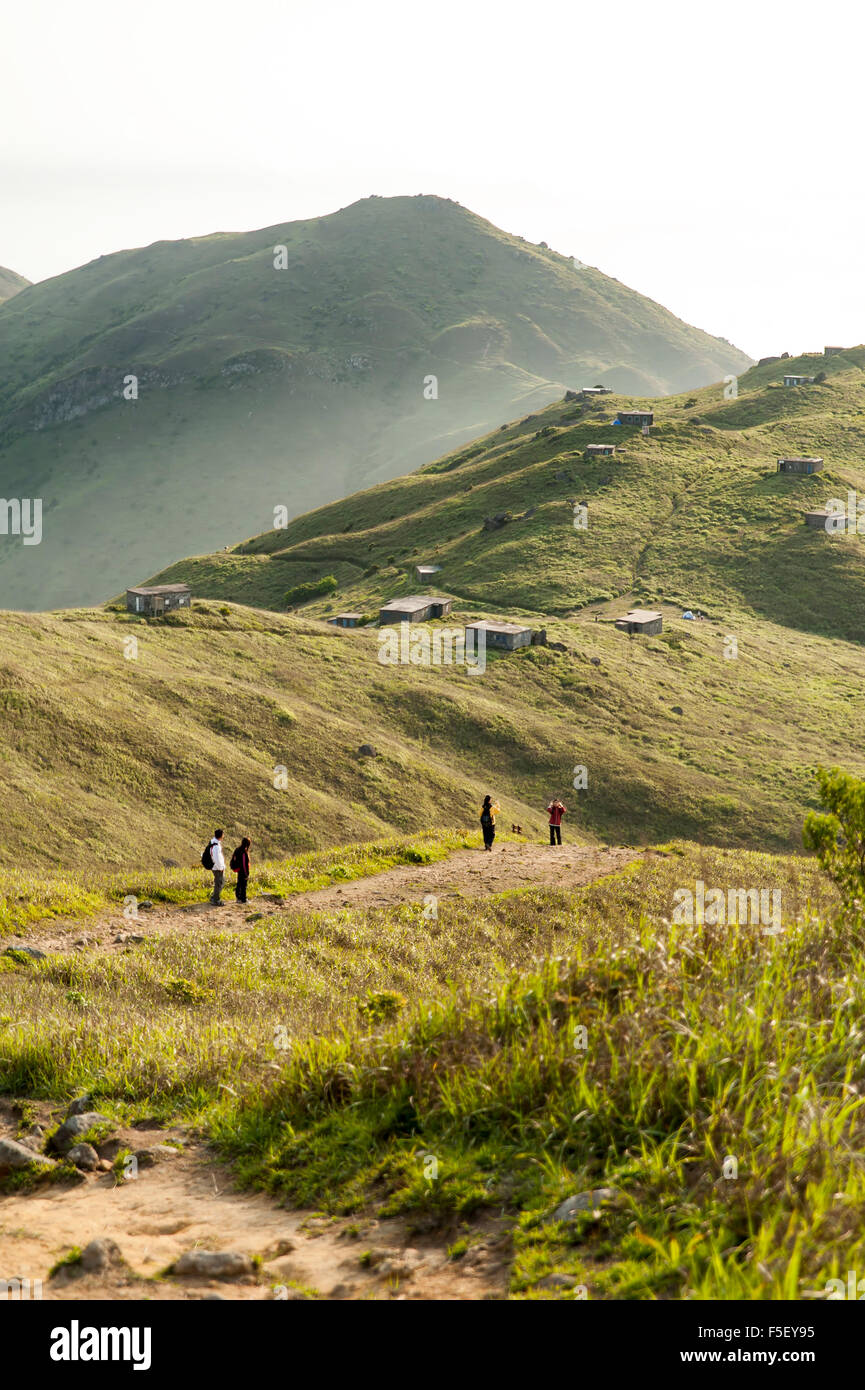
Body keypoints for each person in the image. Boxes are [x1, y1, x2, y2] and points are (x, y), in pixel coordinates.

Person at [230, 836, 251, 903]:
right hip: (243, 871)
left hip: (238, 870)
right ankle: (243, 899)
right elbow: (244, 864)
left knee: (239, 884)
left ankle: (238, 898)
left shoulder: (237, 849)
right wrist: (246, 874)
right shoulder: (244, 852)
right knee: (244, 885)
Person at [208, 828, 225, 905]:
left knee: (220, 882)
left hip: (215, 867)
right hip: (217, 868)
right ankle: (216, 900)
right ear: (221, 835)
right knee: (219, 883)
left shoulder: (213, 843)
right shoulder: (216, 846)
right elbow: (217, 859)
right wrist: (220, 868)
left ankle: (214, 897)